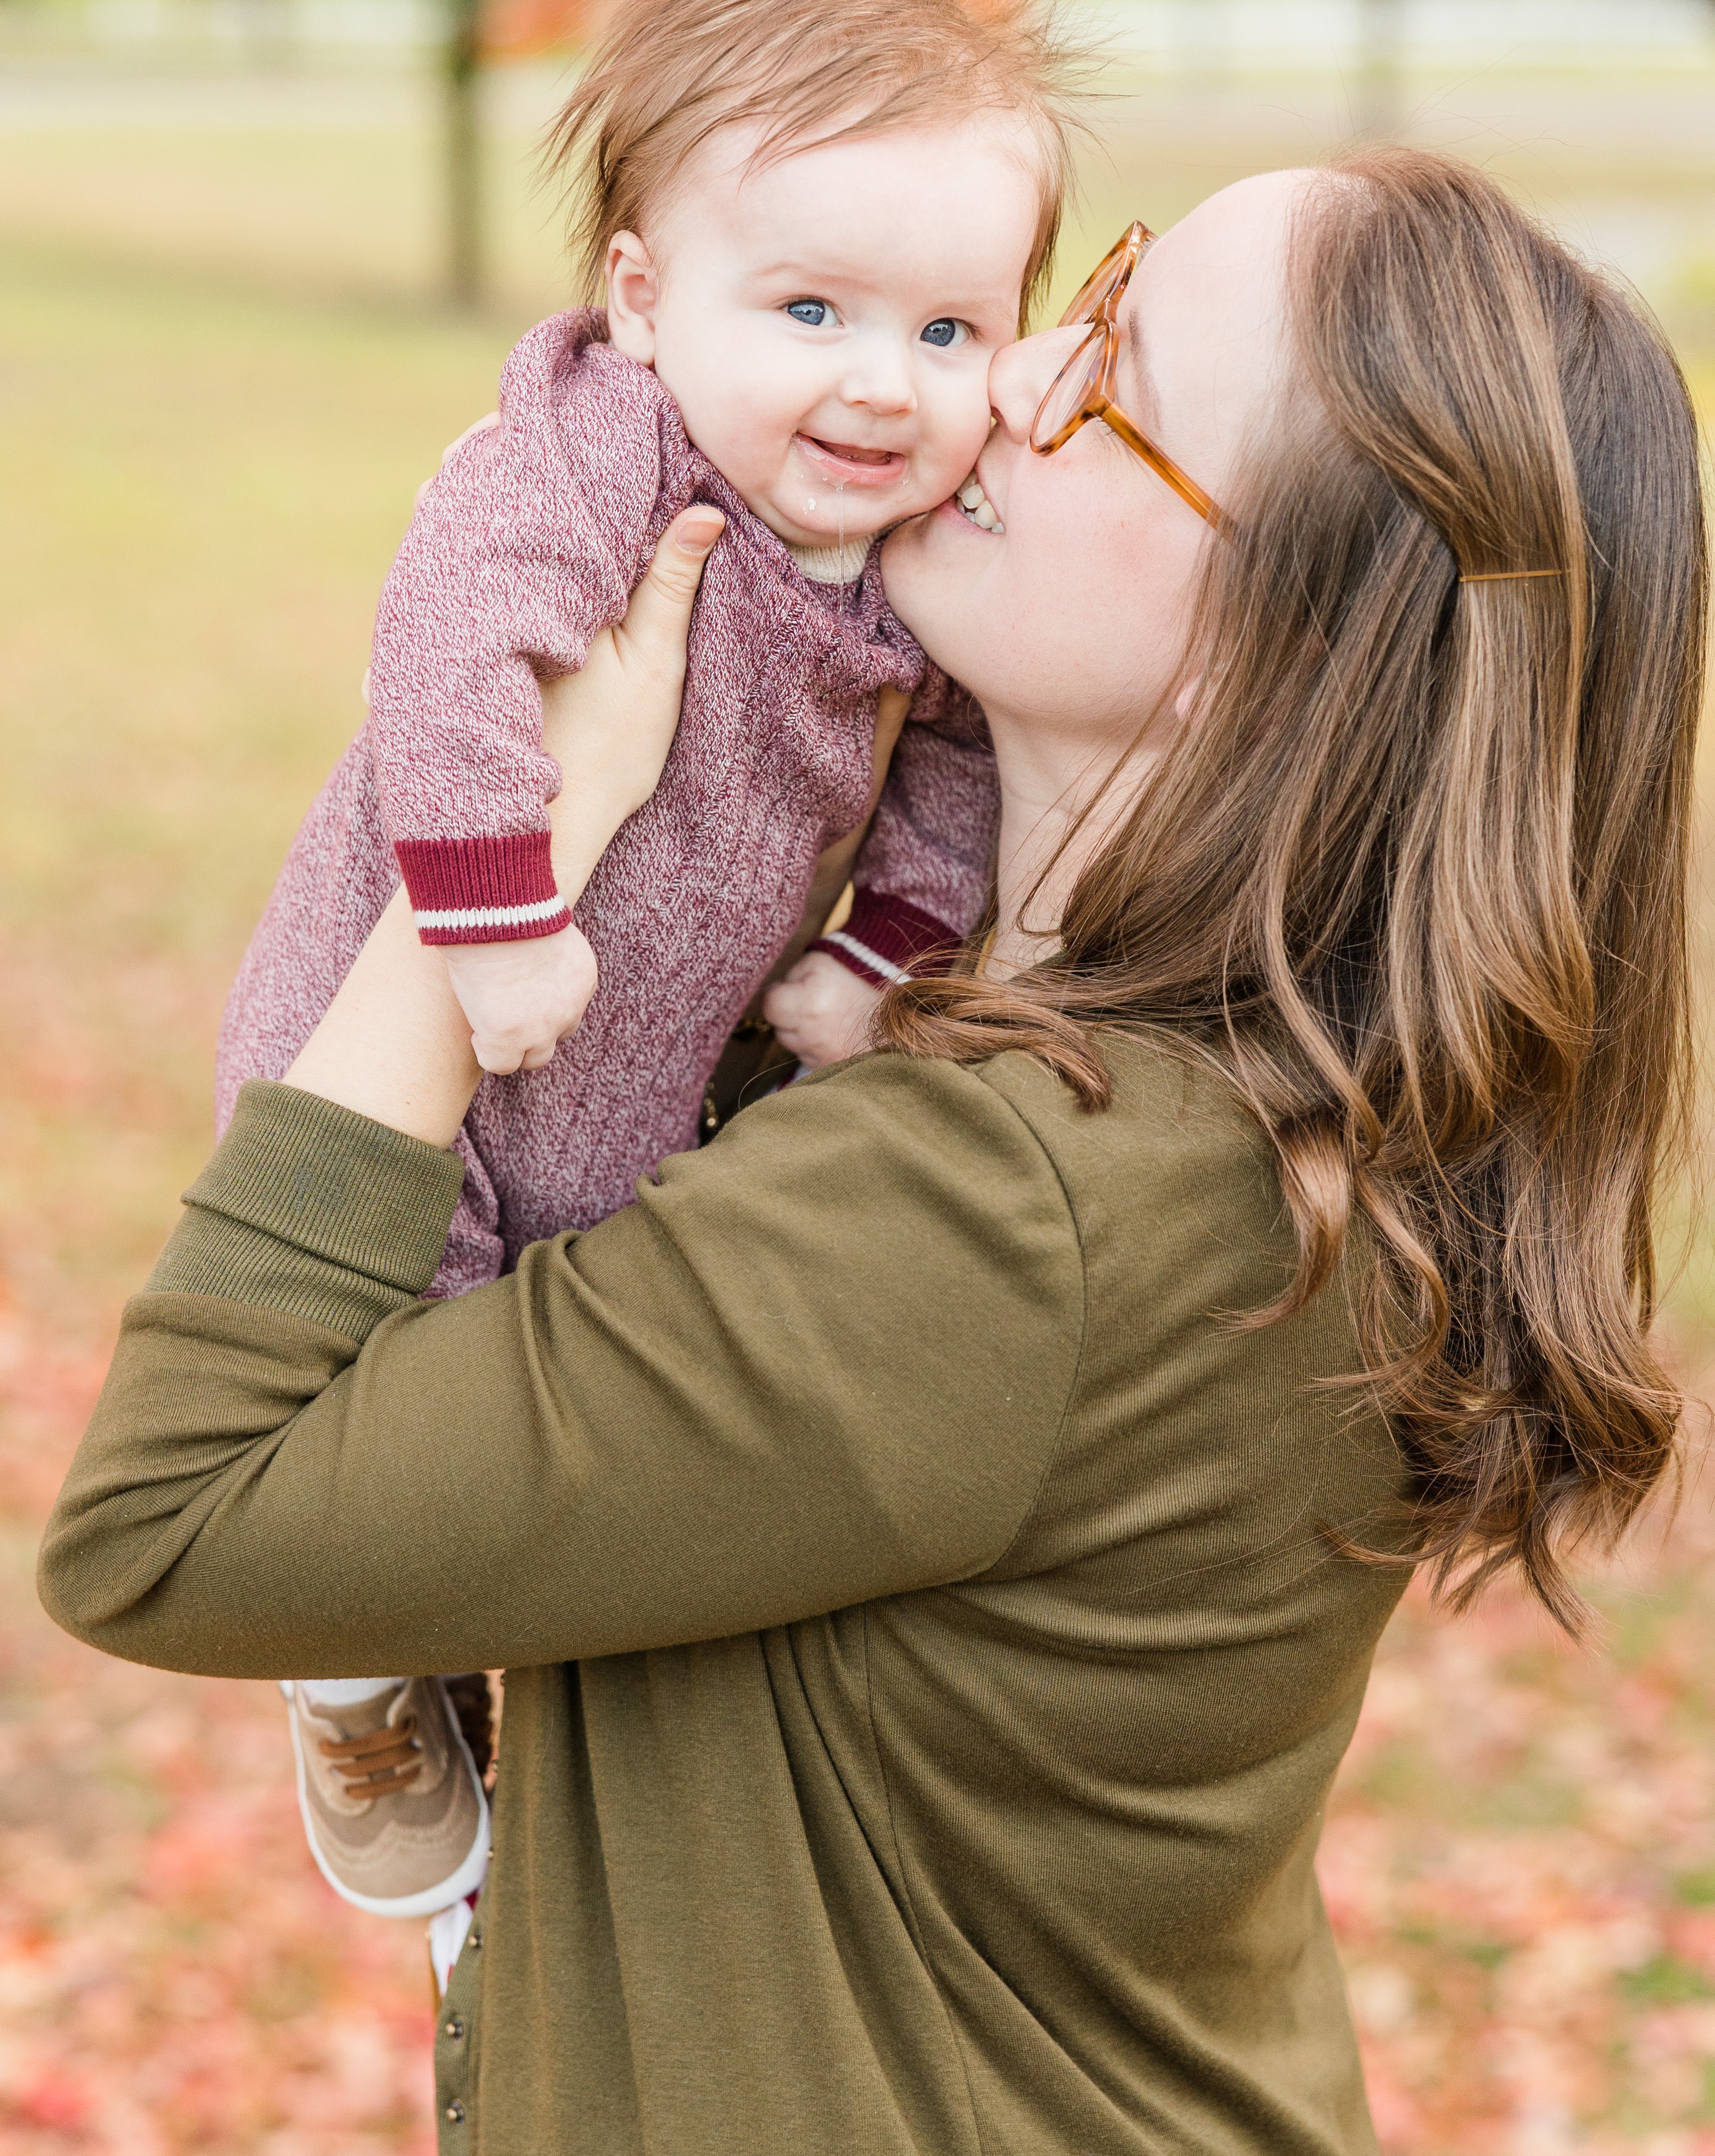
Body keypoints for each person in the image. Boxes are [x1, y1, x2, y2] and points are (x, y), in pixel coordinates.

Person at [40, 150, 1704, 2156]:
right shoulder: (1250, 1096)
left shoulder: (1011, 1208)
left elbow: (175, 1523)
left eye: (1114, 390)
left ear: (1286, 649)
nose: (1004, 381)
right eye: (1087, 292)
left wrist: (501, 861)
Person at [214, 0, 1081, 1918]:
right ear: (641, 293)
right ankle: (351, 1678)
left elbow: (956, 762)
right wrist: (492, 910)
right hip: (420, 1020)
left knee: (540, 1411)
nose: (882, 387)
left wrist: (887, 952)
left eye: (948, 334)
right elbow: (448, 637)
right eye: (811, 313)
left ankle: (520, 1784)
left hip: (637, 1088)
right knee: (374, 1388)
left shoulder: (911, 559)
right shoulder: (601, 454)